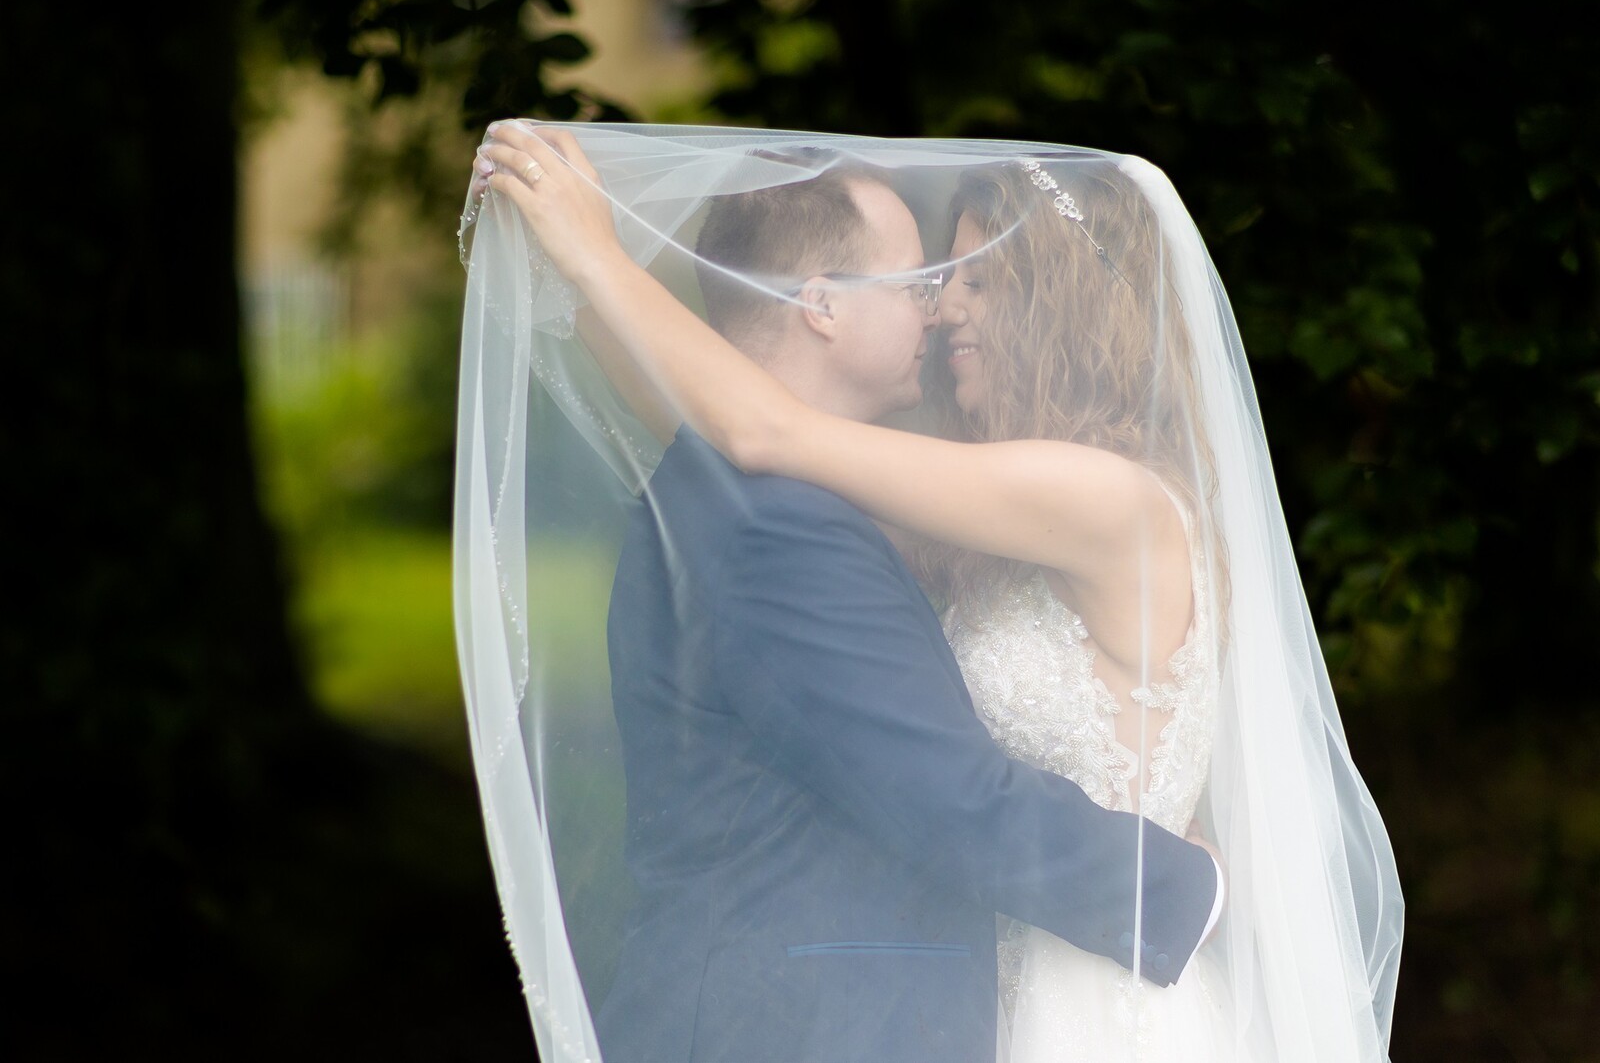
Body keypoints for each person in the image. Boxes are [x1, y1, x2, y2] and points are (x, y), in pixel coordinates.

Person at [457, 124, 1402, 1063]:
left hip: (1102, 993)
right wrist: (576, 278)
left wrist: (597, 262)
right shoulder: (950, 508)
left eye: (977, 280)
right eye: (934, 280)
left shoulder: (1105, 497)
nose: (946, 309)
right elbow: (721, 426)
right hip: (1009, 978)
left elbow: (766, 432)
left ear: (1054, 305)